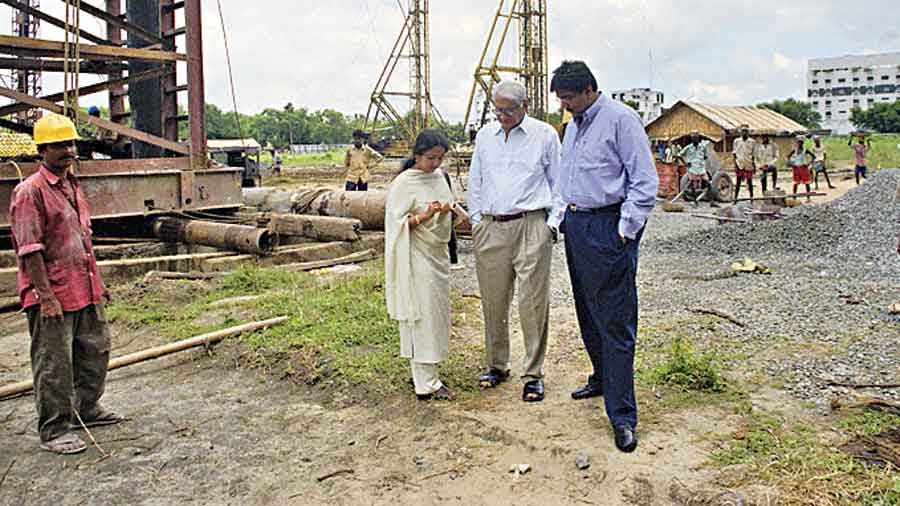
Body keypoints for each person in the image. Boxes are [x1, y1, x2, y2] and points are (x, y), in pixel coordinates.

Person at [551, 61, 658, 453]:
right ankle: (600, 378)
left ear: (589, 89)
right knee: (587, 311)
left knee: (615, 320)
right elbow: (567, 177)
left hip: (608, 226)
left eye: (569, 98)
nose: (565, 105)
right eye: (560, 99)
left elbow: (645, 182)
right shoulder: (573, 126)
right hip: (578, 226)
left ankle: (623, 416)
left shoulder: (621, 121)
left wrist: (624, 230)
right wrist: (561, 219)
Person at [9, 114, 123, 455]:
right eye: (59, 146)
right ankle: (54, 428)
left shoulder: (73, 185)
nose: (68, 151)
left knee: (95, 350)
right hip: (53, 293)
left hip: (84, 287)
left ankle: (86, 408)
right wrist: (45, 297)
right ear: (41, 150)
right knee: (54, 363)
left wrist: (97, 285)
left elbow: (82, 241)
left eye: (71, 144)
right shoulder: (30, 192)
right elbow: (30, 250)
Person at [467, 80, 562, 403]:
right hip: (492, 227)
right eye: (498, 109)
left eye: (508, 109)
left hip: (531, 224)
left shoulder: (545, 135)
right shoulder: (485, 137)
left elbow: (558, 182)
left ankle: (533, 374)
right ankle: (497, 365)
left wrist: (551, 225)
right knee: (494, 300)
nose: (502, 115)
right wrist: (477, 221)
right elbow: (475, 179)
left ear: (525, 106)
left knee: (533, 302)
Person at [384, 129, 456, 401]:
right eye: (430, 158)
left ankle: (429, 373)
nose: (436, 164)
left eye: (440, 158)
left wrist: (448, 211)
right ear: (417, 156)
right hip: (416, 256)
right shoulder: (405, 182)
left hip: (437, 254)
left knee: (436, 314)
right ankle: (426, 383)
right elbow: (396, 224)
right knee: (422, 314)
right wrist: (425, 216)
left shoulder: (439, 177)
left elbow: (449, 208)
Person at [675, 131, 708, 206]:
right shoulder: (688, 147)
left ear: (698, 139)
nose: (695, 140)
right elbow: (679, 155)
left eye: (696, 138)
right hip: (692, 168)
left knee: (708, 183)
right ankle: (695, 200)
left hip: (701, 167)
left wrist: (702, 161)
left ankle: (712, 201)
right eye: (693, 138)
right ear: (691, 139)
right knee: (693, 185)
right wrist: (686, 163)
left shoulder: (702, 147)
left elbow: (705, 156)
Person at [732, 125, 756, 203]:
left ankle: (751, 198)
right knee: (738, 182)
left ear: (748, 133)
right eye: (743, 131)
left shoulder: (752, 142)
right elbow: (734, 154)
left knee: (749, 182)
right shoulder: (736, 141)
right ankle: (735, 198)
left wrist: (754, 165)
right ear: (741, 133)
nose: (744, 133)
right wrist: (735, 164)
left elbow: (753, 154)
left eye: (746, 131)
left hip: (748, 163)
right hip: (739, 163)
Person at [787, 135, 814, 202]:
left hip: (804, 168)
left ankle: (808, 198)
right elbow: (788, 157)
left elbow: (813, 157)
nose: (799, 143)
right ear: (797, 143)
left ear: (803, 143)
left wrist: (808, 164)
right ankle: (794, 198)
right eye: (798, 142)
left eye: (801, 142)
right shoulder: (794, 150)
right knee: (795, 183)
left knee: (807, 183)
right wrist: (791, 163)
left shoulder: (805, 150)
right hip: (796, 168)